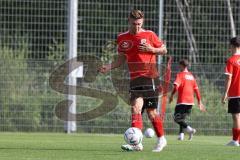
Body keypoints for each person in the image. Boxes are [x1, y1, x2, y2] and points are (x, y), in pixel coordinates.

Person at [99, 9, 167, 152]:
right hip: (135, 79)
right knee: (135, 108)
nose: (137, 26)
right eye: (134, 23)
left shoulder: (149, 35)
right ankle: (137, 143)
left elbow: (164, 50)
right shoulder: (122, 38)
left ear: (142, 22)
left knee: (151, 112)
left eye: (139, 24)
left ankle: (161, 139)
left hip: (150, 77)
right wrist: (109, 67)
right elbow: (121, 59)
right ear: (129, 21)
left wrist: (151, 49)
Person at [169, 59, 206, 141]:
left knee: (176, 118)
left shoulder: (180, 75)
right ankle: (181, 136)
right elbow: (196, 90)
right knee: (182, 118)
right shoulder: (192, 76)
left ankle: (190, 130)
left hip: (182, 100)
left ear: (182, 65)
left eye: (179, 65)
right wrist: (199, 102)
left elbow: (176, 87)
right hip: (190, 102)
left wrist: (171, 96)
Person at [222, 37, 240, 146]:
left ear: (232, 46)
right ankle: (236, 140)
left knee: (236, 116)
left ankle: (235, 140)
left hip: (235, 93)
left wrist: (225, 93)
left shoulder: (231, 60)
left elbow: (228, 78)